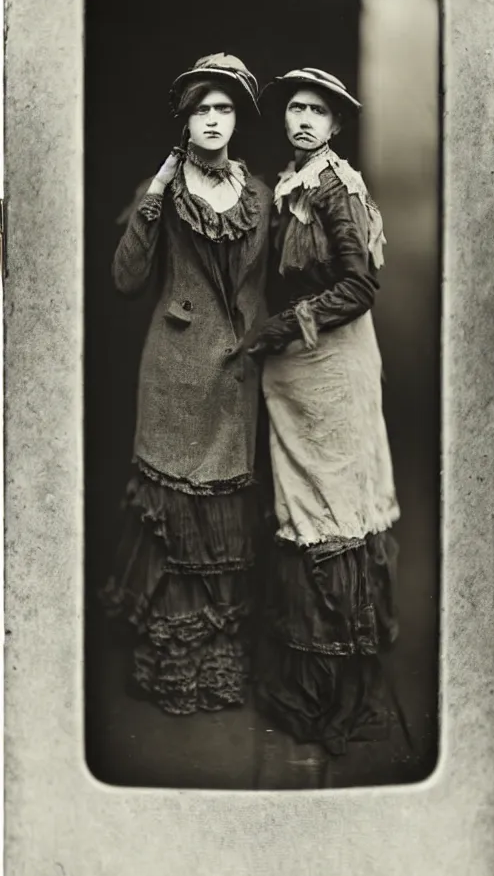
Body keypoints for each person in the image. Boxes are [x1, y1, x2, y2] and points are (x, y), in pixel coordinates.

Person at [101, 54, 272, 716]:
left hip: (233, 378)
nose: (211, 120)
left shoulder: (258, 194)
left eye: (223, 108)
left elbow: (285, 272)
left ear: (237, 119)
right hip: (175, 374)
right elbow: (124, 279)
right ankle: (175, 668)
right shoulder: (166, 191)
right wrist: (152, 195)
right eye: (201, 108)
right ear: (185, 119)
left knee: (223, 520)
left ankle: (218, 666)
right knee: (177, 519)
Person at [238, 67, 400, 755]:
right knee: (301, 511)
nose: (304, 119)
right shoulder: (288, 181)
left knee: (333, 517)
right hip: (298, 375)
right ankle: (303, 687)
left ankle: (343, 694)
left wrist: (283, 326)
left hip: (333, 369)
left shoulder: (338, 187)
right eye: (296, 109)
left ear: (336, 126)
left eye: (318, 111)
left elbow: (360, 286)